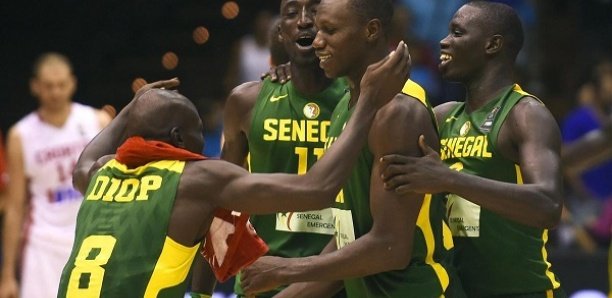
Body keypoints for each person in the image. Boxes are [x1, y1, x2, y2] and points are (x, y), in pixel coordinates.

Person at [56, 43, 410, 297]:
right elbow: (318, 189)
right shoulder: (196, 179)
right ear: (179, 137)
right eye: (199, 130)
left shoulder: (103, 172)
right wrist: (367, 102)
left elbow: (81, 167)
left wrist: (132, 108)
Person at [241, 0, 457, 297]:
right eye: (318, 30)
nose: (316, 41)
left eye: (330, 30)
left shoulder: (397, 112)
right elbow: (348, 233)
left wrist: (286, 269)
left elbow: (390, 247)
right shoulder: (347, 103)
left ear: (371, 31)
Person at [379, 2, 565, 297]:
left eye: (457, 33)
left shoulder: (525, 114)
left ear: (492, 45)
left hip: (521, 292)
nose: (444, 41)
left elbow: (548, 205)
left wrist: (449, 179)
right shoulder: (443, 116)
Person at [210, 0, 352, 297]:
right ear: (279, 33)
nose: (303, 21)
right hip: (261, 282)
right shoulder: (246, 101)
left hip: (342, 281)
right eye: (290, 13)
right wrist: (201, 291)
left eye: (314, 11)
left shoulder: (362, 98)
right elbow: (225, 208)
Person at [0, 53, 112, 298]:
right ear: (35, 87)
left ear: (72, 83)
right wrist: (7, 274)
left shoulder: (97, 121)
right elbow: (15, 206)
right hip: (42, 245)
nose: (55, 92)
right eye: (49, 86)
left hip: (91, 239)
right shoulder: (21, 135)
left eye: (61, 85)